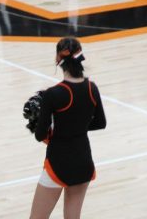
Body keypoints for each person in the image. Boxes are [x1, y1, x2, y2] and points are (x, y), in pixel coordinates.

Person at [28, 37, 106, 219]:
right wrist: (75, 127)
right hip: (83, 162)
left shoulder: (53, 94)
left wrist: (43, 126)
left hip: (58, 164)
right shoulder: (91, 88)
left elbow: (40, 135)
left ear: (58, 59)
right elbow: (100, 123)